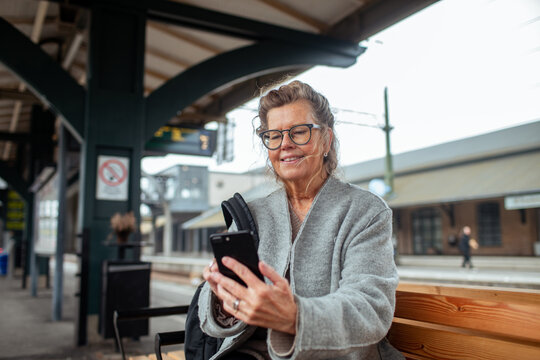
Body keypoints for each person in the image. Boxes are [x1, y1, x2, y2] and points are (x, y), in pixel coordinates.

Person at [199, 81, 403, 359]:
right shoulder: (249, 213)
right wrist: (224, 294)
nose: (285, 144)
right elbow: (211, 315)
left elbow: (370, 308)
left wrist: (294, 316)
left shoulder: (366, 211)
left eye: (299, 132)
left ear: (326, 140)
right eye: (274, 135)